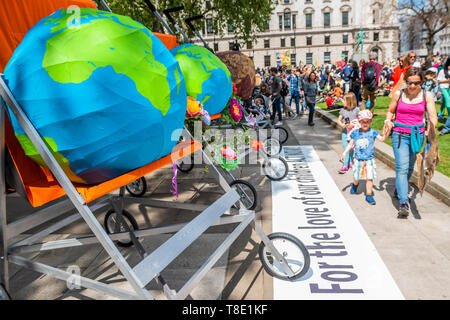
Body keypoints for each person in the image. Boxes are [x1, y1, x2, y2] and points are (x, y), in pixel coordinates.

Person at [384, 67, 438, 218]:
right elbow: (390, 111)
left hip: (417, 135)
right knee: (401, 167)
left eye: (417, 83)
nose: (413, 86)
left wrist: (430, 128)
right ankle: (403, 202)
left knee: (409, 167)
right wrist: (388, 120)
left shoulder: (427, 95)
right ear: (405, 81)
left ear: (422, 82)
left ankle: (399, 188)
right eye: (409, 83)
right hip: (400, 135)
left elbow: (433, 116)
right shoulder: (398, 94)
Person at [340, 110, 387, 205]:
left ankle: (369, 195)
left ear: (371, 121)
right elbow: (350, 144)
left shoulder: (373, 132)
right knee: (356, 177)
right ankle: (355, 185)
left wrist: (387, 131)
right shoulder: (355, 133)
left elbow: (382, 139)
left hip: (370, 160)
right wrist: (344, 153)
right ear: (359, 121)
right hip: (358, 159)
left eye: (368, 121)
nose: (365, 124)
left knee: (370, 177)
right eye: (363, 121)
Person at [337, 92, 360, 174]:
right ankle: (345, 165)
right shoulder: (343, 110)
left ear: (349, 101)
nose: (342, 102)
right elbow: (339, 120)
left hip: (353, 132)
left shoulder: (357, 110)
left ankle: (350, 162)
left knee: (351, 148)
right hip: (344, 132)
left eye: (344, 100)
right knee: (345, 147)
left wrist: (353, 124)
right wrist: (343, 125)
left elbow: (360, 121)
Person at [437, 58, 450, 135]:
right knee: (448, 104)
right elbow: (439, 81)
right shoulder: (442, 71)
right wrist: (447, 80)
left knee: (446, 103)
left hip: (449, 88)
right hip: (443, 88)